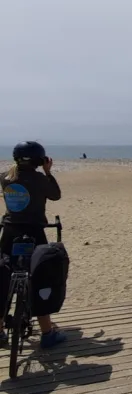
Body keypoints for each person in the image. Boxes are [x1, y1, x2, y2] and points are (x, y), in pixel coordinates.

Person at [0, 141, 65, 349]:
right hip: (34, 232)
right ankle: (47, 333)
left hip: (9, 233)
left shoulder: (6, 178)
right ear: (40, 160)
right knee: (39, 278)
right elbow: (55, 195)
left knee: (3, 277)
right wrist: (48, 172)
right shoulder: (39, 179)